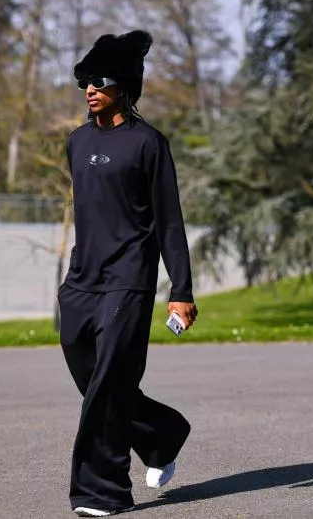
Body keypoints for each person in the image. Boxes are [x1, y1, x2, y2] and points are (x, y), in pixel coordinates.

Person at [57, 29, 198, 517]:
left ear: (126, 86)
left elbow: (169, 220)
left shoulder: (148, 144)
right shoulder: (76, 142)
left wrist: (181, 290)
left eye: (100, 80)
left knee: (107, 385)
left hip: (128, 280)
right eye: (85, 82)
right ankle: (162, 434)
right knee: (90, 374)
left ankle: (102, 491)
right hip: (82, 280)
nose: (90, 89)